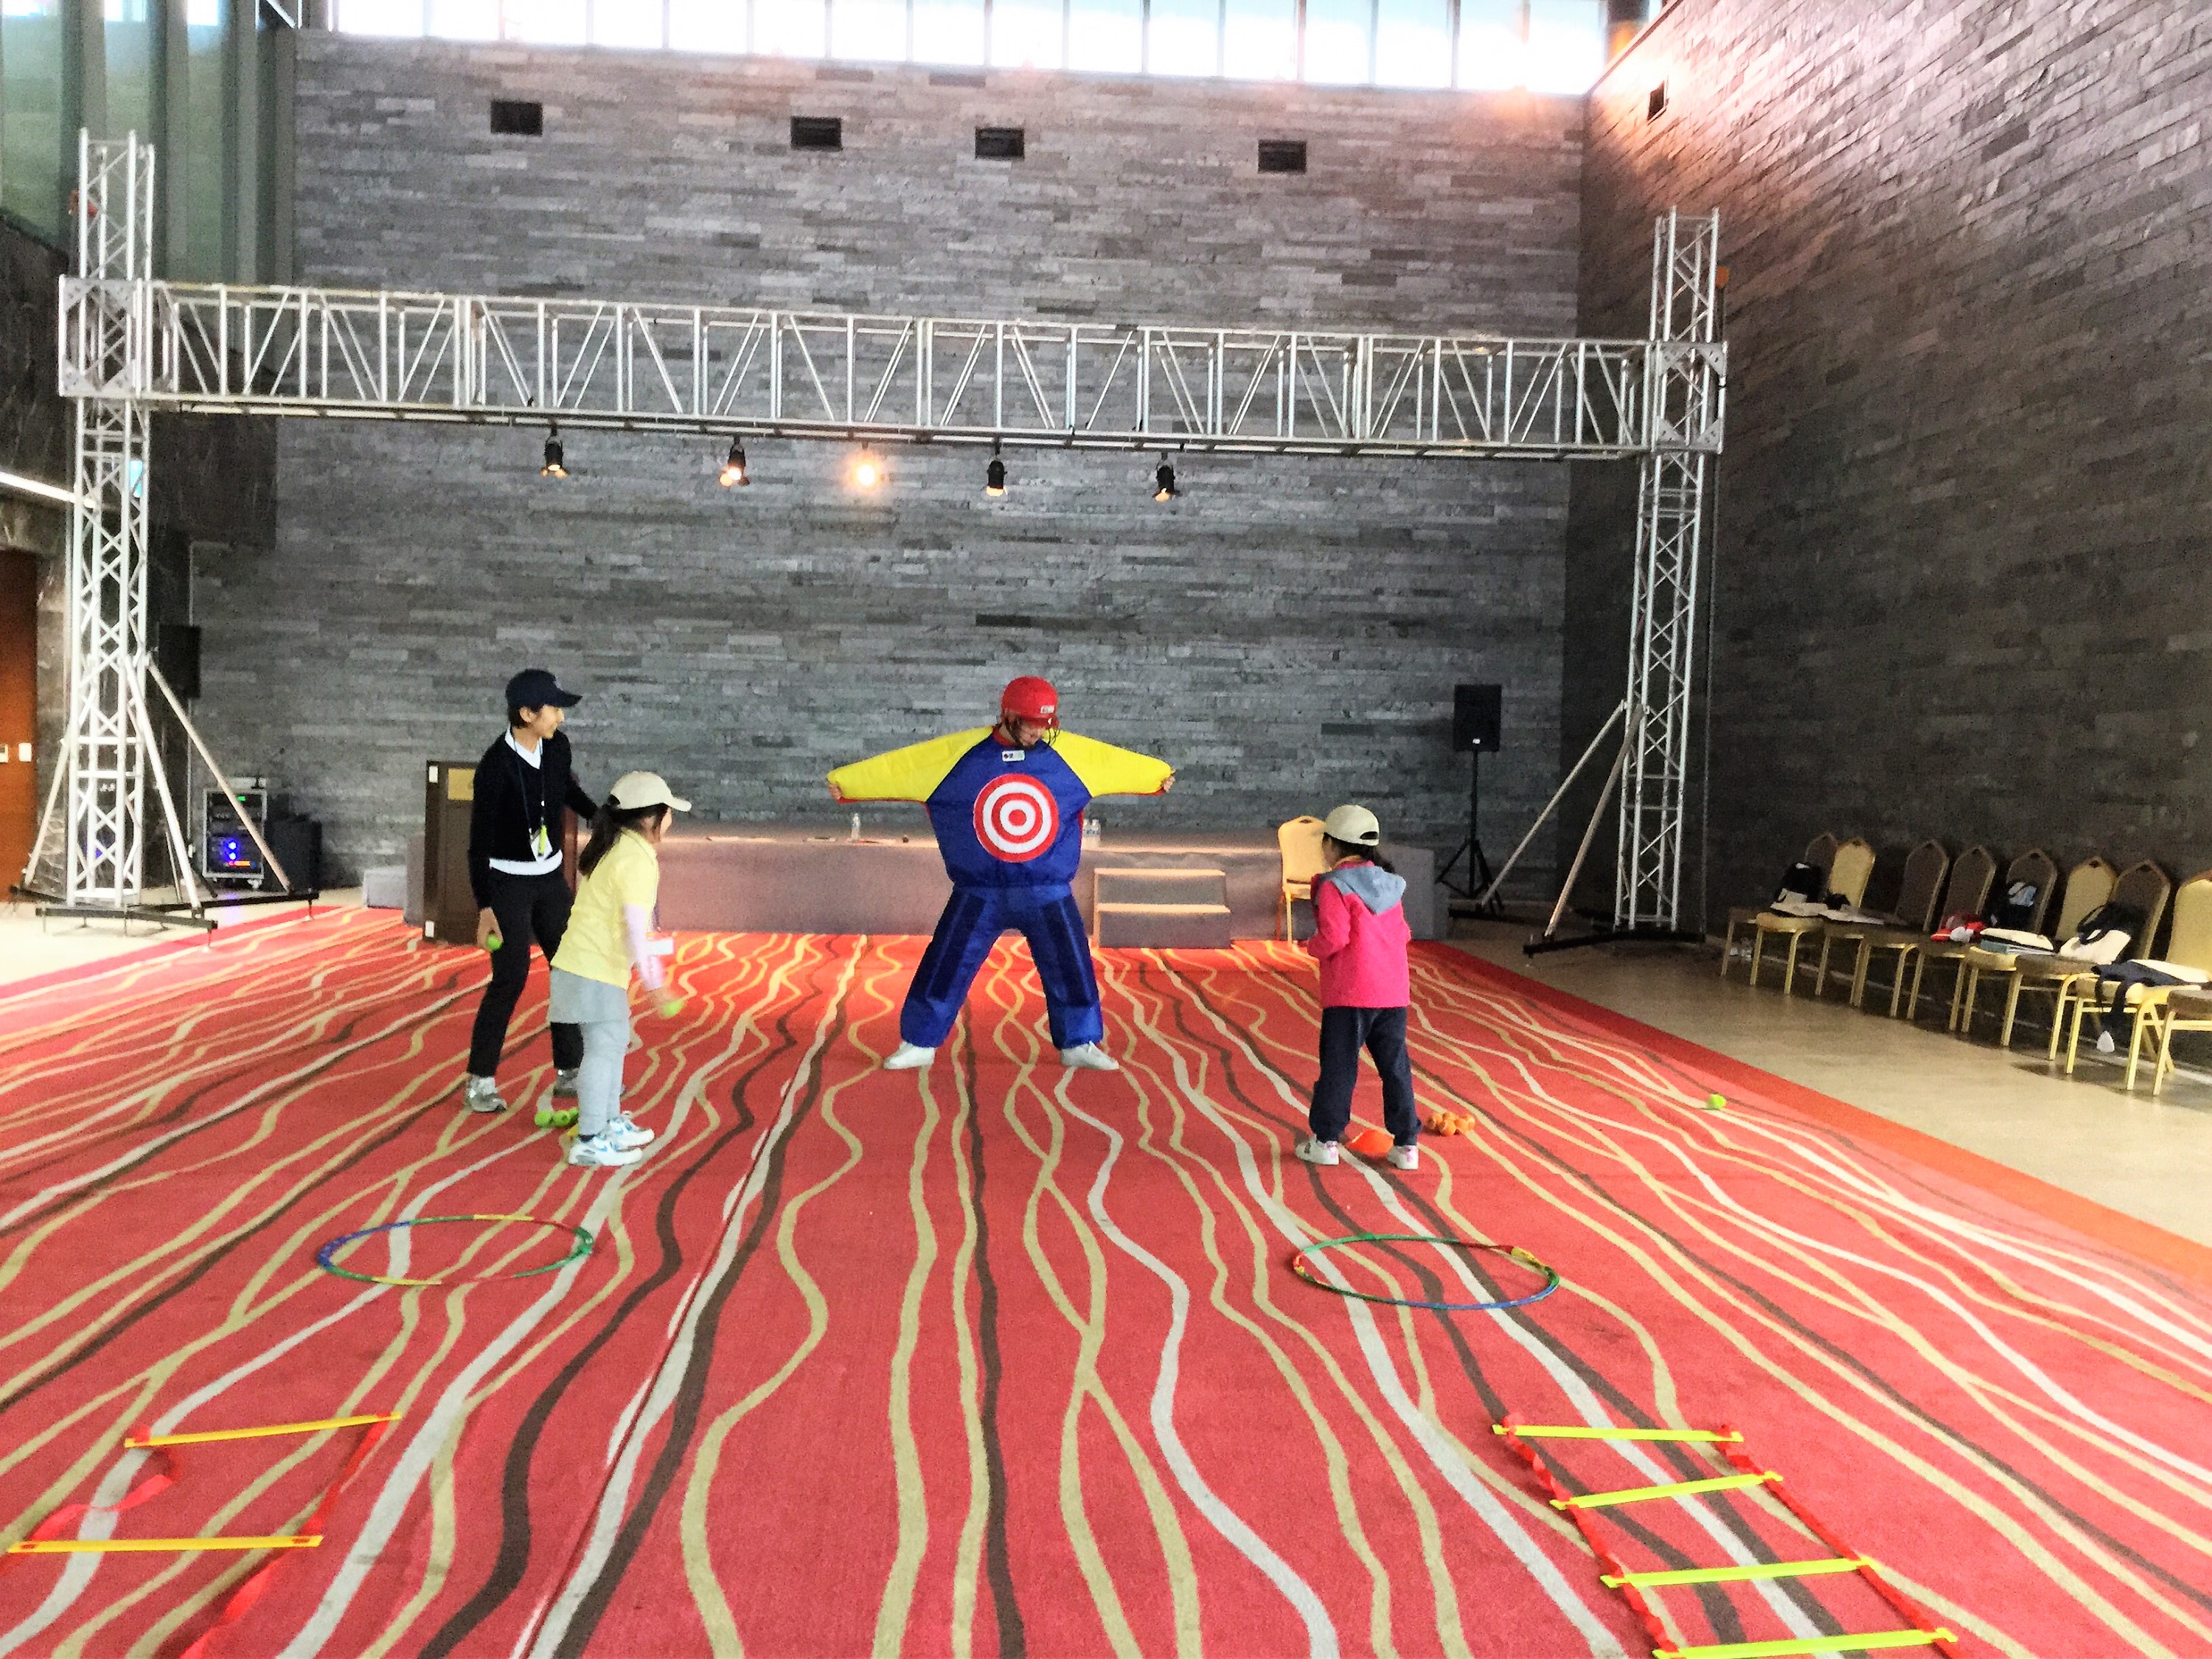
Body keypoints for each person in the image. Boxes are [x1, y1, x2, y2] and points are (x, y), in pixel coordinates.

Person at [827, 675, 1173, 1072]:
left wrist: (1156, 776)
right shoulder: (957, 755)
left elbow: (1116, 762)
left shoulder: (1070, 754)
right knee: (946, 963)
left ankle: (1080, 1041)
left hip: (1047, 889)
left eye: (1044, 724)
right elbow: (902, 765)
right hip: (980, 890)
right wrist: (847, 783)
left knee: (1071, 965)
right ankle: (919, 1040)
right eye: (1029, 723)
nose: (1037, 732)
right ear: (1007, 714)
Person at [463, 668, 599, 1116]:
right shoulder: (494, 767)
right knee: (512, 976)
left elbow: (566, 791)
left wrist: (600, 817)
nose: (561, 717)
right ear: (526, 714)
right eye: (554, 709)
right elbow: (478, 844)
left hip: (550, 879)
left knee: (569, 968)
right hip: (507, 883)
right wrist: (485, 906)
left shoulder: (557, 747)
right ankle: (480, 1080)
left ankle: (570, 1070)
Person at [546, 771, 691, 1169]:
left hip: (590, 965)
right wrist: (655, 983)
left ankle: (607, 1123)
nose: (670, 820)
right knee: (603, 1050)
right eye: (667, 813)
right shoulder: (634, 859)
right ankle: (591, 1138)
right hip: (591, 968)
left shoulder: (618, 847)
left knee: (610, 1045)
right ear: (648, 818)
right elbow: (634, 928)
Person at [1294, 804, 1420, 1172]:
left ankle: (1326, 1141)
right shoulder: (1391, 884)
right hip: (1393, 993)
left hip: (1349, 994)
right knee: (1395, 1067)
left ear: (1332, 844)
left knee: (1339, 1066)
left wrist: (1310, 947)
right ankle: (1407, 1146)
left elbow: (1335, 937)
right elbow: (1404, 934)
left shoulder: (1335, 885)